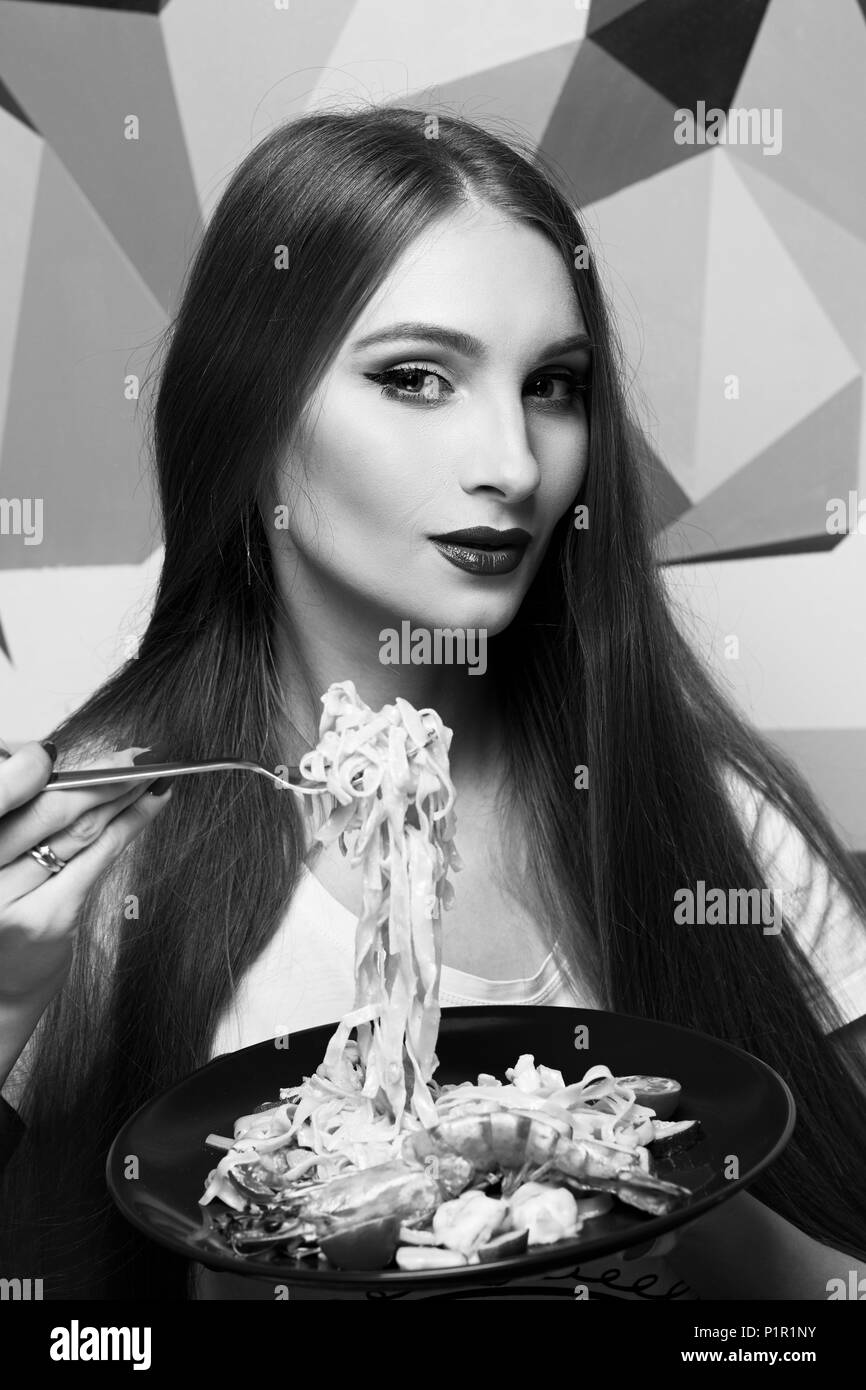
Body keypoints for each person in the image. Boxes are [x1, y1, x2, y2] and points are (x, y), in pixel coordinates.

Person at [1, 105, 865, 1302]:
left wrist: (720, 1244)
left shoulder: (716, 821)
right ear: (247, 415)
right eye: (415, 377)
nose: (512, 463)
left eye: (552, 386)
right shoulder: (76, 875)